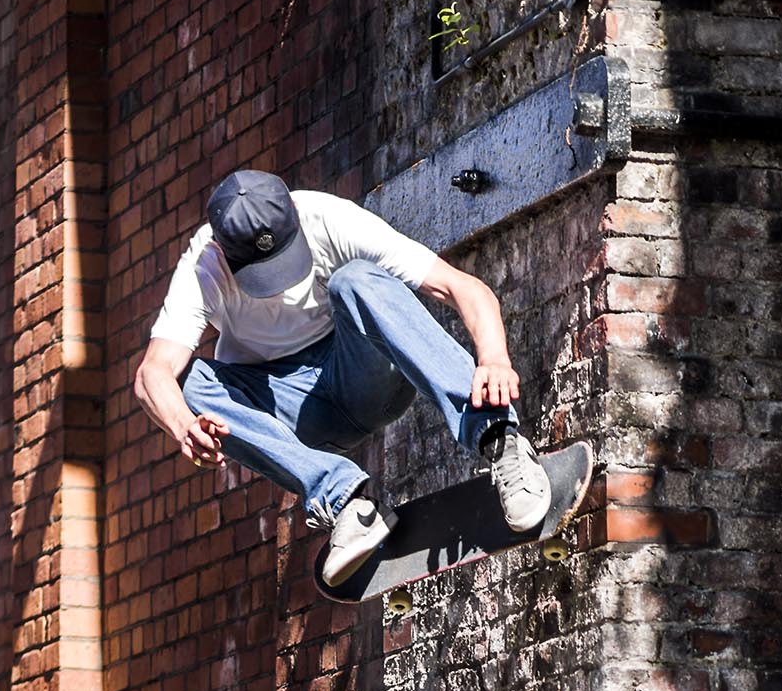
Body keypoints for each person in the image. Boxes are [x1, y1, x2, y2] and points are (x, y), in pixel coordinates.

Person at [133, 168, 552, 586]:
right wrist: (184, 426)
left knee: (356, 280)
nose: (278, 285)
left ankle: (501, 442)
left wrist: (494, 356)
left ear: (294, 212)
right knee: (187, 384)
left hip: (365, 379)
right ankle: (347, 504)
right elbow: (152, 371)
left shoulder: (330, 218)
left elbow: (459, 287)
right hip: (297, 415)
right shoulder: (203, 265)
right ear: (222, 252)